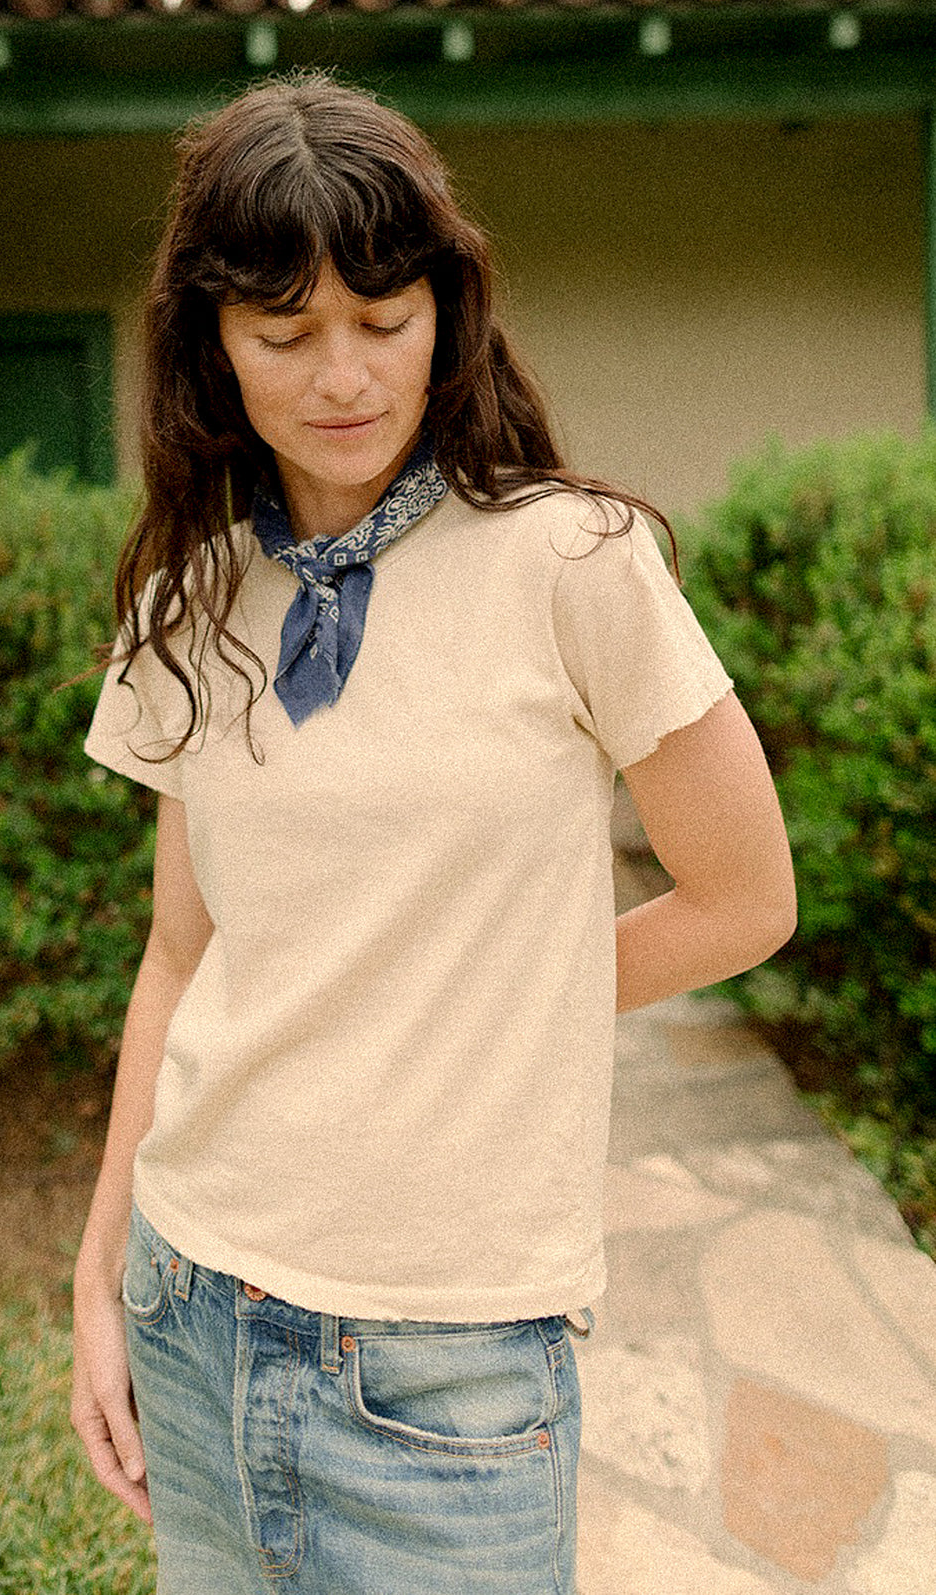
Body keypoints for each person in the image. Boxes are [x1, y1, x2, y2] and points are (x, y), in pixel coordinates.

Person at [71, 70, 796, 1595]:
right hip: (191, 1295)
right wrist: (98, 1268)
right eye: (284, 334)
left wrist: (482, 1002)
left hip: (449, 1358)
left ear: (446, 314)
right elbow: (177, 953)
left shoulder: (571, 563)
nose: (341, 375)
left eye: (381, 320)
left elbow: (741, 897)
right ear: (210, 341)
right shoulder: (190, 601)